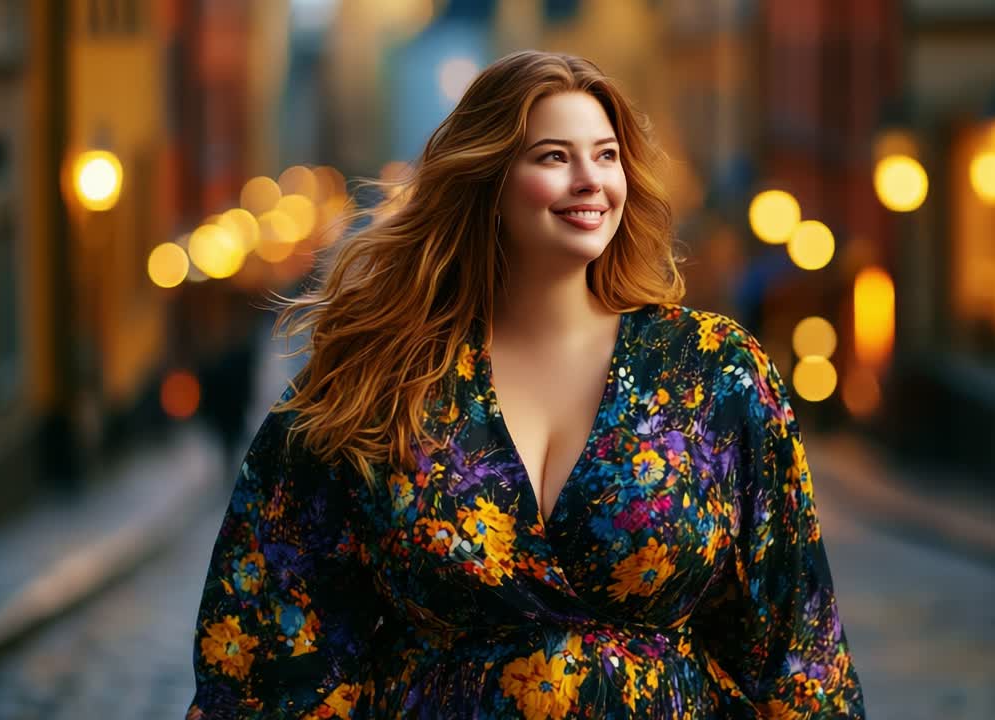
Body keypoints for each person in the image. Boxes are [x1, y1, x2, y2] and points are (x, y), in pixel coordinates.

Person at [187, 50, 864, 719]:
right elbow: (273, 643)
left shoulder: (713, 372)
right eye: (553, 157)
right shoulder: (382, 375)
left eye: (606, 155)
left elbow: (797, 654)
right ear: (487, 180)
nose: (590, 180)